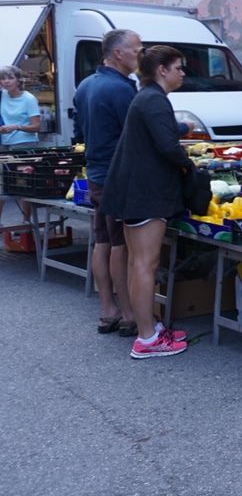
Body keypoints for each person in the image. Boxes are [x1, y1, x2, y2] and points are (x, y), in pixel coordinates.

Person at [101, 46, 192, 359]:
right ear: (162, 70)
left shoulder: (147, 97)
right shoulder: (153, 99)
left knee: (136, 262)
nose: (183, 73)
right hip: (145, 192)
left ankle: (149, 327)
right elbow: (167, 146)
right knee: (145, 264)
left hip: (134, 189)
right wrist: (188, 164)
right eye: (178, 67)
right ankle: (147, 338)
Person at [73, 29, 142, 335]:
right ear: (118, 53)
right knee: (120, 245)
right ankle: (128, 314)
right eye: (136, 50)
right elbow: (137, 134)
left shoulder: (86, 85)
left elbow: (79, 133)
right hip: (118, 176)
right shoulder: (120, 88)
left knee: (102, 241)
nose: (140, 55)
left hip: (96, 175)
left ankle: (107, 310)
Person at [0, 64, 42, 225]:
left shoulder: (29, 99)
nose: (6, 81)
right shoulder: (2, 95)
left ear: (19, 80)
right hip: (5, 144)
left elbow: (36, 126)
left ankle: (25, 221)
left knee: (23, 182)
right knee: (2, 184)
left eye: (10, 78)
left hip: (25, 144)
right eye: (3, 78)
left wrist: (16, 126)